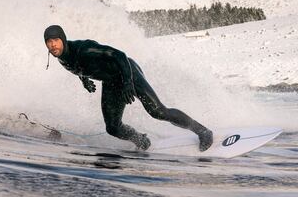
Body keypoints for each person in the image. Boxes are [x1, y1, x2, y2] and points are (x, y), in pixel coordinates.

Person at [43, 25, 213, 151]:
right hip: (111, 81)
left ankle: (203, 131)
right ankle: (141, 140)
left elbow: (119, 55)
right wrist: (84, 80)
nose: (53, 45)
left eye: (56, 40)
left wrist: (127, 82)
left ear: (63, 39)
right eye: (49, 42)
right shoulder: (62, 57)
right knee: (113, 128)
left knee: (158, 111)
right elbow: (79, 67)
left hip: (128, 72)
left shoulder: (84, 49)